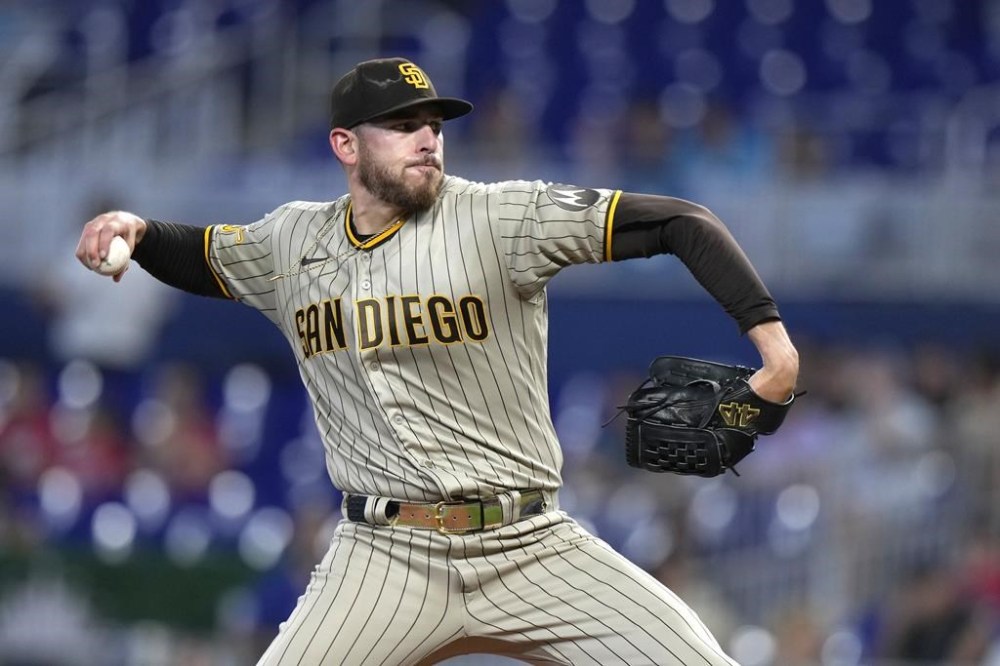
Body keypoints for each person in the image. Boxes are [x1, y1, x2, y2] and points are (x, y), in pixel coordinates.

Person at [76, 57, 799, 665]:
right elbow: (202, 256)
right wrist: (137, 231)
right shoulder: (289, 241)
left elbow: (681, 221)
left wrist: (774, 347)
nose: (426, 137)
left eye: (433, 123)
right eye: (400, 124)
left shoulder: (503, 217)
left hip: (530, 544)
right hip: (384, 555)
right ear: (345, 145)